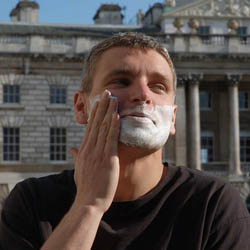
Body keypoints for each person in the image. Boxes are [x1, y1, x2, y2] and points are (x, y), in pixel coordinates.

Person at [0, 32, 249, 250]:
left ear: (173, 117)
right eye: (121, 81)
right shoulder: (32, 202)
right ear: (80, 107)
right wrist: (88, 205)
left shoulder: (213, 203)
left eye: (158, 86)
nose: (142, 95)